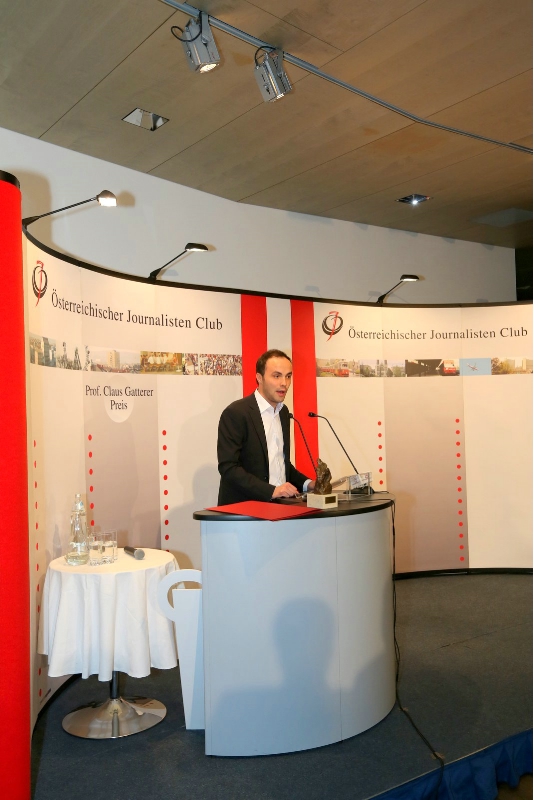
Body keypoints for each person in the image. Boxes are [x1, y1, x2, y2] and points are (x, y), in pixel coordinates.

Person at [217, 349, 315, 505]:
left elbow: (280, 463)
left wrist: (308, 484)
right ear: (259, 378)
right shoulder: (236, 413)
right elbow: (229, 468)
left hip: (281, 506)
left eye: (288, 376)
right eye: (276, 376)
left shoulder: (283, 412)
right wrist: (271, 491)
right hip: (244, 509)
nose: (284, 383)